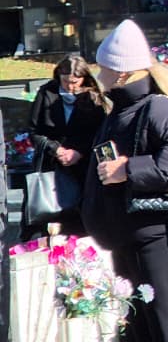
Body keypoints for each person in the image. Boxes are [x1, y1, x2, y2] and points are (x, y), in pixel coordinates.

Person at [81, 21, 168, 342]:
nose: (98, 74)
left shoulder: (159, 109)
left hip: (160, 245)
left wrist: (128, 169)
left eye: (104, 67)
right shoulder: (120, 111)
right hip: (130, 244)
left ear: (122, 72)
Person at [25, 54, 107, 235]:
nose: (70, 87)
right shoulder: (47, 93)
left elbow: (100, 133)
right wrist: (56, 149)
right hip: (52, 167)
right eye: (65, 81)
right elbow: (34, 131)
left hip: (83, 169)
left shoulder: (93, 97)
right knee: (52, 224)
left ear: (84, 79)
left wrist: (79, 152)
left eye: (75, 82)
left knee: (81, 224)